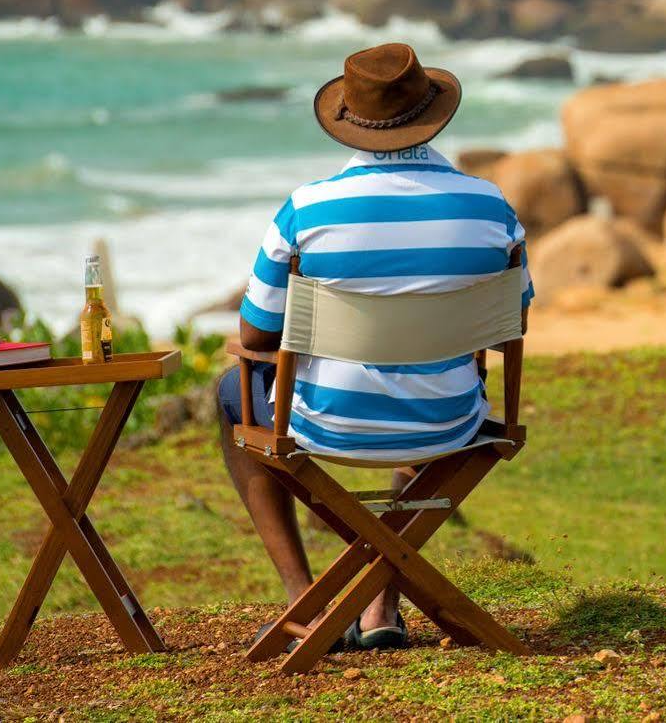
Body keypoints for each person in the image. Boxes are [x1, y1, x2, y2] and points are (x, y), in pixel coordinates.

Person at [215, 42, 531, 650]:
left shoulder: (307, 209)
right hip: (452, 422)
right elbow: (509, 318)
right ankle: (380, 607)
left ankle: (305, 603)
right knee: (434, 375)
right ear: (433, 114)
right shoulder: (490, 204)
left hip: (325, 423)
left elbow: (255, 336)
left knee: (231, 391)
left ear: (348, 123)